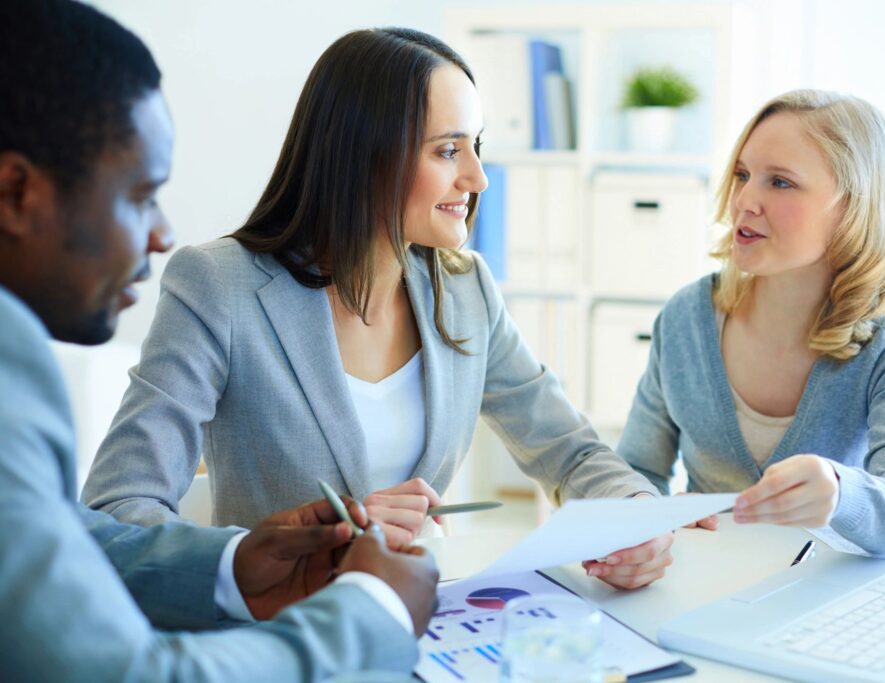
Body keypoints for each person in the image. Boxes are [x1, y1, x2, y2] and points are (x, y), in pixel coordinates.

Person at [82, 26, 673, 590]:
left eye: (476, 146)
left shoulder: (467, 290)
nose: (477, 178)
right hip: (283, 636)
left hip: (422, 622)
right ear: (365, 156)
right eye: (448, 151)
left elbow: (568, 450)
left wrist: (635, 514)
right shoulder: (219, 286)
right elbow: (117, 512)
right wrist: (316, 547)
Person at [0, 1, 438, 680]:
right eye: (142, 195)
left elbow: (47, 538)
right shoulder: (14, 364)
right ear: (16, 193)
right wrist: (372, 607)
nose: (162, 233)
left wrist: (231, 564)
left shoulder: (460, 290)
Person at [617, 89, 885, 561]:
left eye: (781, 182)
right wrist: (655, 511)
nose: (745, 201)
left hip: (821, 606)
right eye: (743, 175)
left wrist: (838, 492)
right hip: (698, 586)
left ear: (852, 208)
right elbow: (635, 470)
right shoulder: (686, 318)